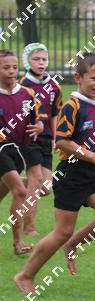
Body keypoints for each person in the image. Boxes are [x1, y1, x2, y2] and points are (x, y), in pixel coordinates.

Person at [14, 53, 95, 293]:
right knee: (61, 232)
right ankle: (25, 276)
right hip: (71, 177)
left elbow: (83, 138)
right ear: (78, 77)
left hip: (90, 175)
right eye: (94, 78)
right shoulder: (72, 105)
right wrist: (94, 156)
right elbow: (62, 142)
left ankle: (73, 243)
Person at [0, 49, 43, 255]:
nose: (11, 71)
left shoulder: (28, 94)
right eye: (5, 67)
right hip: (1, 149)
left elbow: (37, 121)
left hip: (20, 150)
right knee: (20, 190)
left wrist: (39, 127)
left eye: (14, 67)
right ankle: (18, 243)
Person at [18, 42, 63, 235]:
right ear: (27, 61)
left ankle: (14, 182)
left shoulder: (54, 86)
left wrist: (56, 138)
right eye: (36, 59)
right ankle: (30, 228)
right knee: (36, 180)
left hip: (46, 139)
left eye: (44, 59)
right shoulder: (21, 86)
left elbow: (54, 114)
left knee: (45, 187)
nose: (41, 63)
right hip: (28, 137)